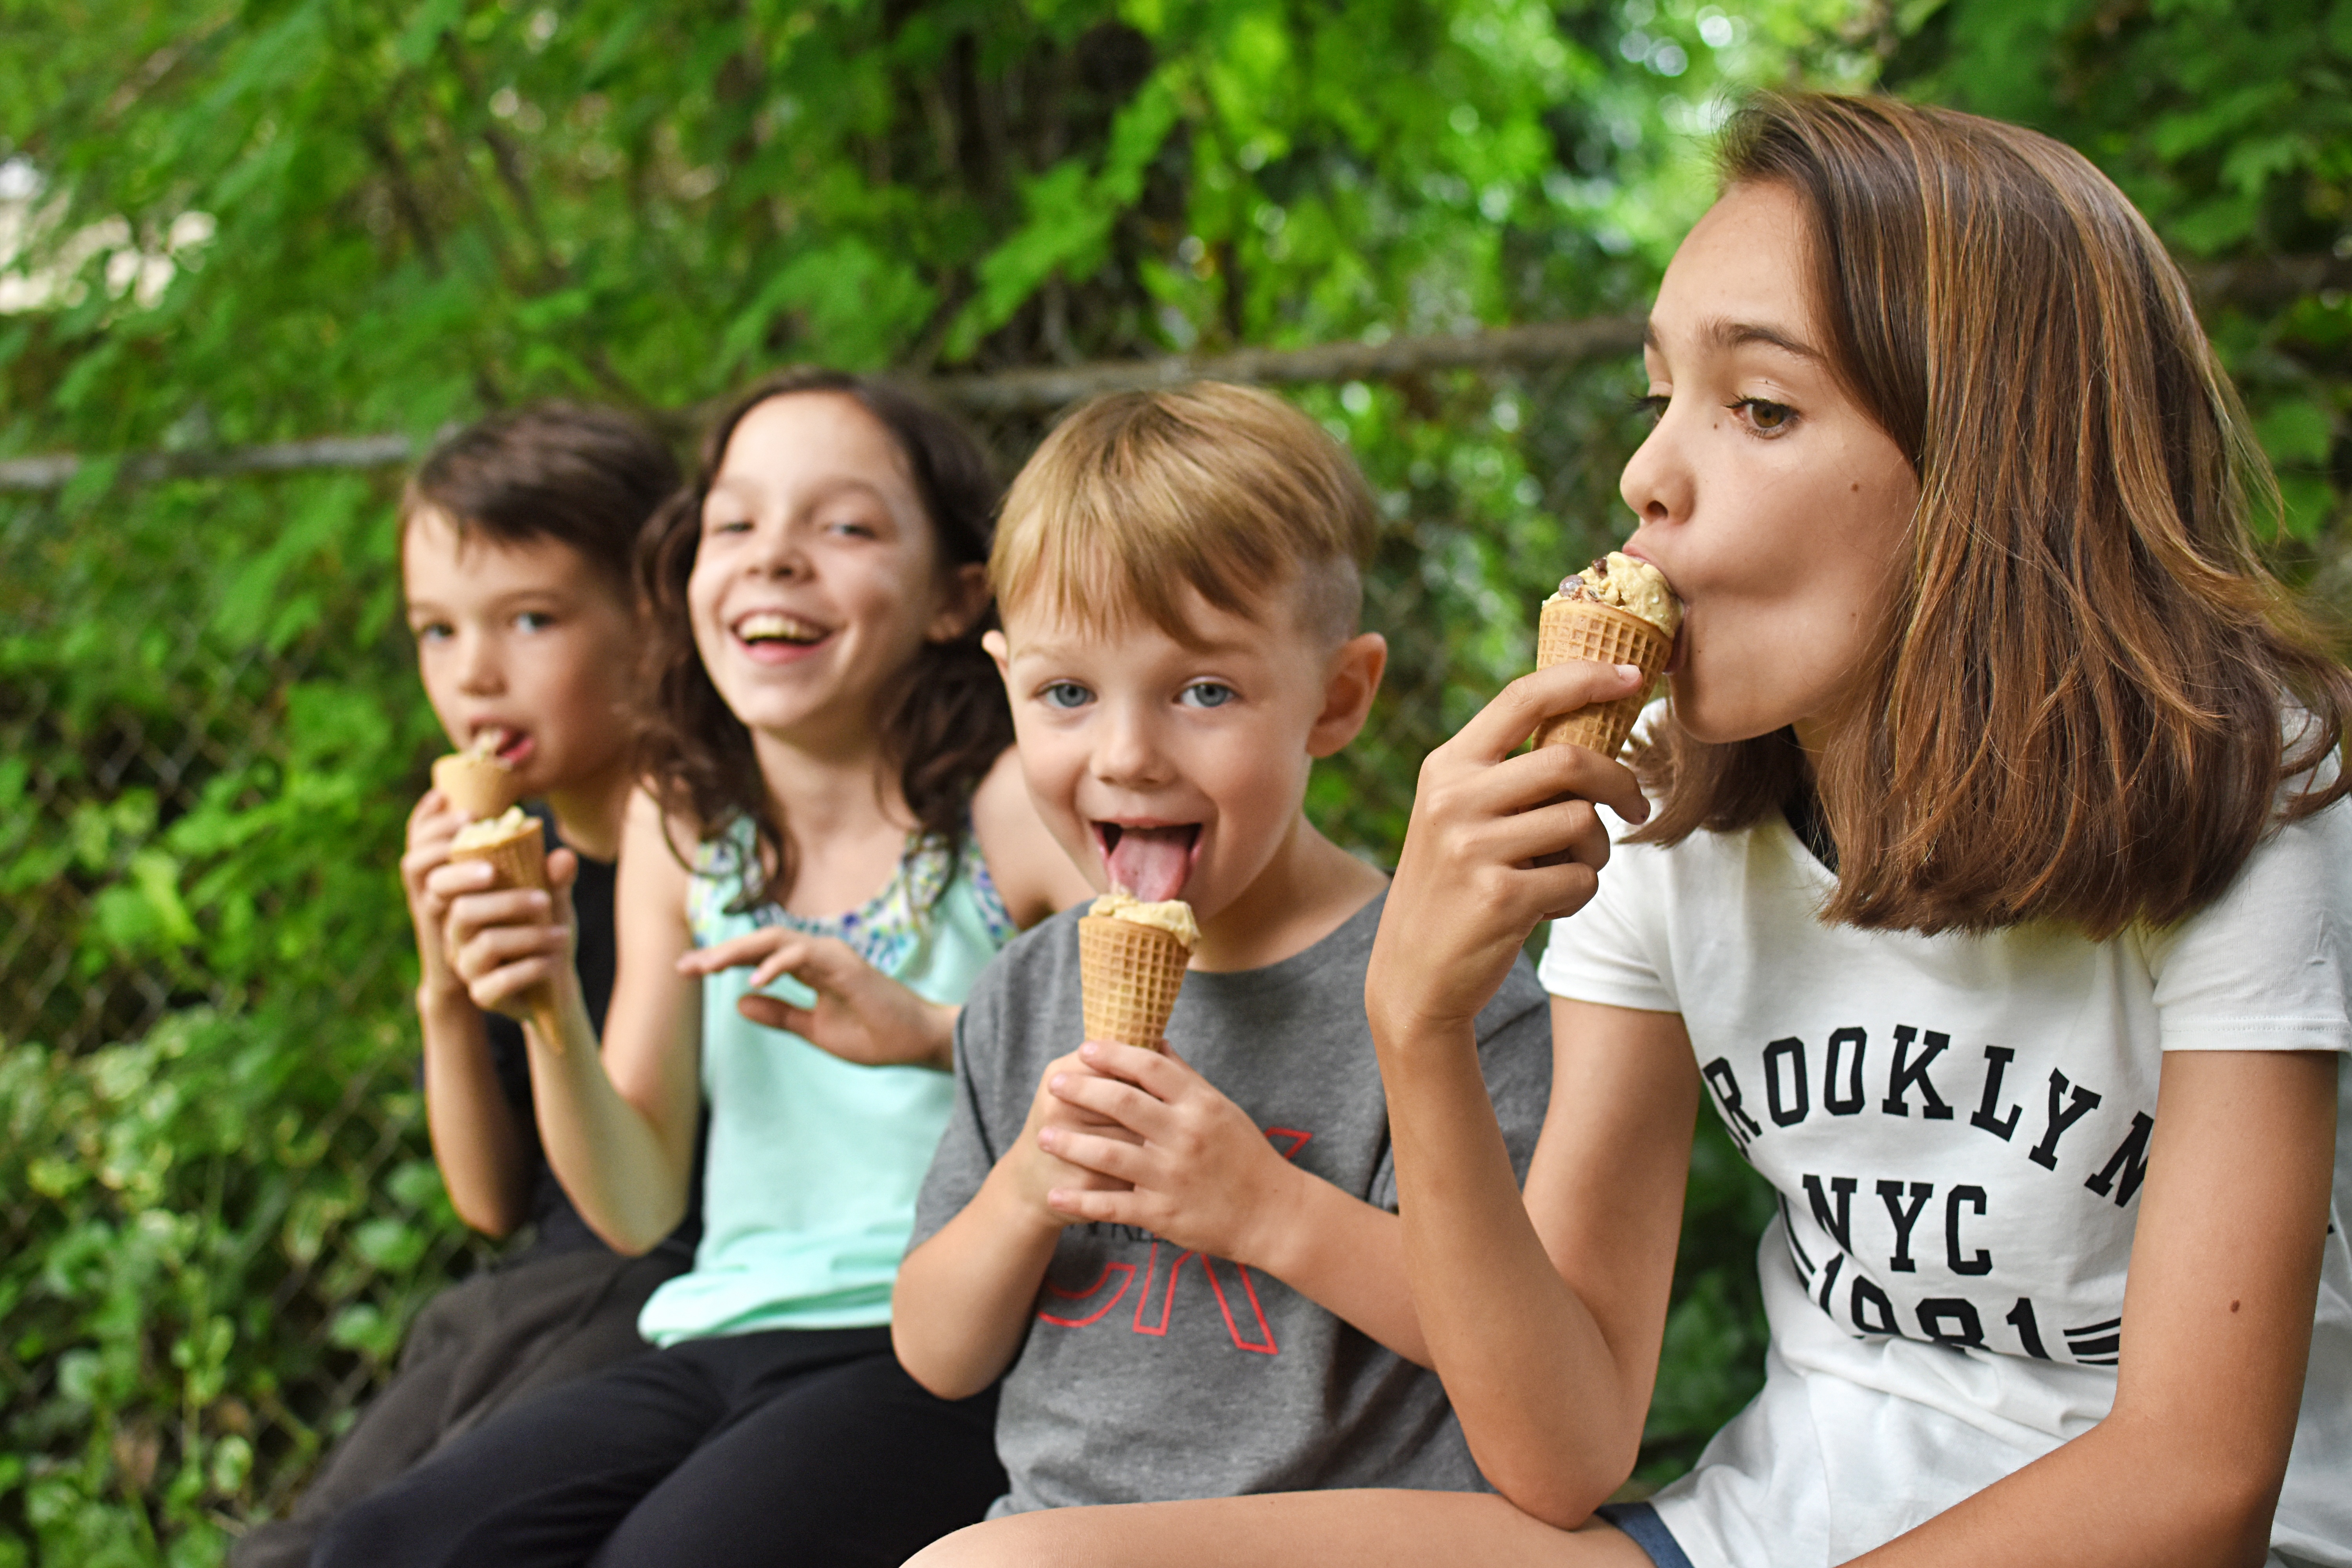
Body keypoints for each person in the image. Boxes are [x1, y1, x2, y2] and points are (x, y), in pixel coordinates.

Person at [907, 93, 2352, 1568]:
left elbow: (2195, 1478)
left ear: (2000, 464)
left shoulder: (2250, 798)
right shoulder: (1661, 817)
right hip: (1755, 1534)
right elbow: (1566, 1443)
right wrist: (1415, 1016)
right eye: (1658, 396)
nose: (1646, 475)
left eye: (1761, 408)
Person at [314, 370, 1090, 1568]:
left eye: (842, 525)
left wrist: (938, 1027)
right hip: (714, 1328)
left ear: (952, 600)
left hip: (939, 1345)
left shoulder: (1011, 813)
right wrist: (544, 998)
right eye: (736, 523)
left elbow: (1187, 1035)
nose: (775, 557)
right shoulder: (683, 829)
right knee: (385, 1546)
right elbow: (635, 1201)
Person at [892, 382, 1554, 1520]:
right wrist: (1026, 1191)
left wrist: (1267, 1209)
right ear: (1004, 682)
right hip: (1063, 1533)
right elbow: (938, 1353)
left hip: (1334, 1534)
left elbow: (1517, 1352)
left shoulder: (1446, 987)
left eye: (1204, 690)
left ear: (1337, 700)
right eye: (1065, 692)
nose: (1127, 754)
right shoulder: (1026, 992)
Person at [234, 405, 686, 1568]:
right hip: (533, 1293)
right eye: (436, 632)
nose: (474, 675)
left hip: (660, 1294)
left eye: (530, 620)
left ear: (653, 616)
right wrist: (446, 988)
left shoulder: (714, 842)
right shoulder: (505, 852)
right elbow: (490, 1202)